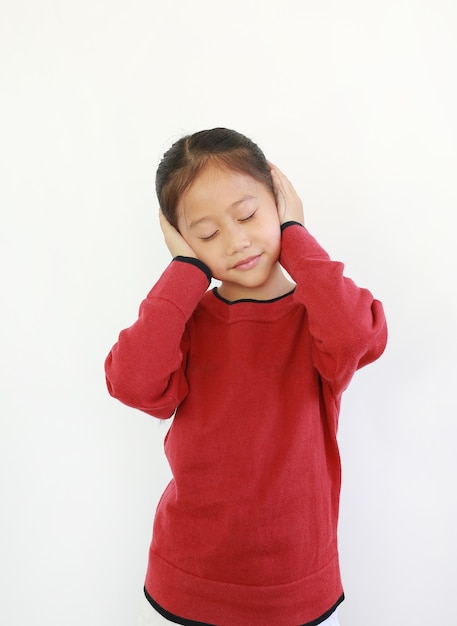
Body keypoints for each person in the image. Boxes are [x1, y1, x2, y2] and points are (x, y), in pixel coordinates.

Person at [105, 128, 387, 626]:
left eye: (248, 215)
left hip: (298, 591)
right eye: (207, 234)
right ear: (181, 240)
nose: (235, 242)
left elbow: (354, 336)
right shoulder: (185, 324)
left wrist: (296, 236)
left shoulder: (316, 317)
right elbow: (131, 382)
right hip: (188, 584)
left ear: (278, 199)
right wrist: (186, 271)